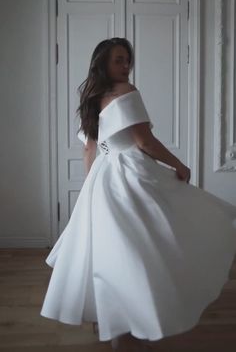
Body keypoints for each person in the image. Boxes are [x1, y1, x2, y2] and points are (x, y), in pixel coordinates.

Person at [40, 37, 236, 352]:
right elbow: (144, 142)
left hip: (104, 174)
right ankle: (133, 321)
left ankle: (109, 318)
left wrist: (91, 185)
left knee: (110, 249)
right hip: (130, 172)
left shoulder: (91, 97)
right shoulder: (128, 93)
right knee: (145, 244)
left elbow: (90, 147)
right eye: (118, 60)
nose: (125, 65)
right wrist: (179, 165)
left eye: (127, 59)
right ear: (103, 62)